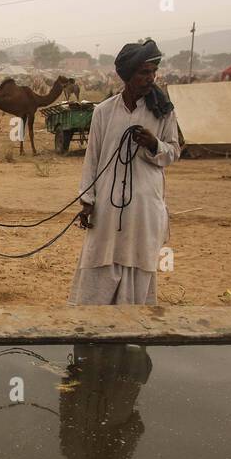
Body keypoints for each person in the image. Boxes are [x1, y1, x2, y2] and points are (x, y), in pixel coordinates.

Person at [68, 39, 180, 306]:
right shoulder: (103, 112)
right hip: (106, 204)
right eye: (143, 72)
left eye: (153, 72)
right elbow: (92, 158)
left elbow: (173, 152)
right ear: (128, 75)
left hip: (145, 206)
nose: (150, 78)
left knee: (139, 260)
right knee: (100, 256)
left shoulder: (163, 112)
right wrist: (87, 201)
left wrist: (154, 144)